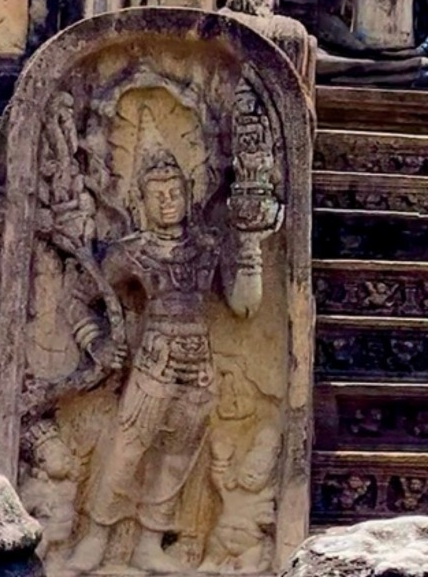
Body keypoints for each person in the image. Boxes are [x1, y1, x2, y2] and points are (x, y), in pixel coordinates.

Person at [63, 138, 274, 575]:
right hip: (153, 361)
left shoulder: (208, 247)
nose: (167, 202)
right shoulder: (131, 251)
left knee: (177, 454)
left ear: (188, 194)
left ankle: (149, 540)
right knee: (127, 448)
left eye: (175, 192)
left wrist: (251, 245)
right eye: (157, 194)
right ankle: (96, 535)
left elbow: (244, 305)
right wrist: (96, 342)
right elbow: (78, 298)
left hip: (198, 365)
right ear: (140, 201)